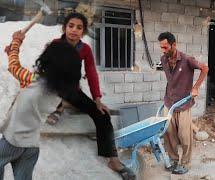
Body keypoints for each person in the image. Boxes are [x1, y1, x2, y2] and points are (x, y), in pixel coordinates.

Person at [45, 12, 135, 180]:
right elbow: (44, 69)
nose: (74, 30)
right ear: (64, 28)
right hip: (53, 89)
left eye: (79, 28)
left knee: (102, 115)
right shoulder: (55, 45)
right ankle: (58, 107)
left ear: (84, 32)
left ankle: (113, 160)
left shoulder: (85, 49)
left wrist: (98, 100)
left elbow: (91, 73)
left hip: (72, 91)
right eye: (71, 26)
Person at [0, 30, 82, 180]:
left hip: (12, 141)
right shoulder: (57, 93)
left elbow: (14, 67)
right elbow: (20, 73)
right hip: (32, 145)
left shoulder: (33, 81)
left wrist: (16, 43)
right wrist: (11, 51)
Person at [158, 32, 209, 174]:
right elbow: (172, 80)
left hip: (184, 104)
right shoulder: (163, 59)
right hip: (169, 103)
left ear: (174, 45)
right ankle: (173, 160)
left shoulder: (187, 60)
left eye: (166, 47)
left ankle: (185, 163)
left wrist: (195, 87)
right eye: (161, 47)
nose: (163, 50)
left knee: (185, 136)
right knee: (169, 135)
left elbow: (205, 68)